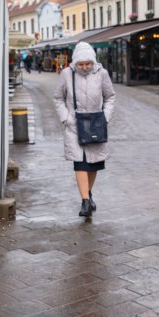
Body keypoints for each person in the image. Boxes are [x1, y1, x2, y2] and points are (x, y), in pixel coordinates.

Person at [53, 42, 116, 218]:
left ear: (93, 61)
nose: (85, 67)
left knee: (94, 163)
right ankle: (85, 202)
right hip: (75, 125)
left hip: (96, 124)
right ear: (75, 62)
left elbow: (110, 96)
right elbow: (58, 98)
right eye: (81, 64)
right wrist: (66, 118)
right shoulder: (66, 74)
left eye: (88, 63)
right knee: (80, 163)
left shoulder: (102, 74)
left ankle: (88, 193)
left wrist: (105, 117)